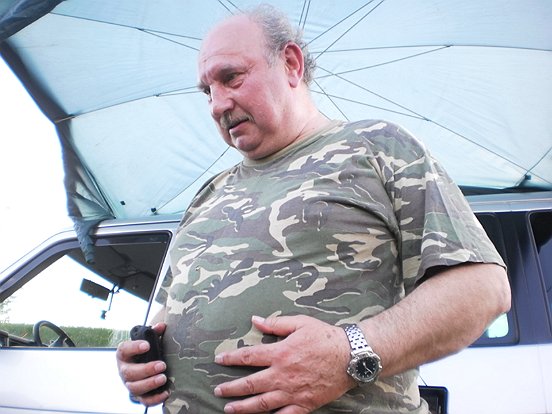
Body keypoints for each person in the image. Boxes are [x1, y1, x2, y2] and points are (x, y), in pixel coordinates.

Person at [116, 4, 511, 413]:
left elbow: (483, 289)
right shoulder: (209, 193)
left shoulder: (378, 148)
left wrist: (348, 353)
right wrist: (143, 362)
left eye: (231, 77)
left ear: (290, 63)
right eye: (207, 91)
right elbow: (172, 309)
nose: (217, 105)